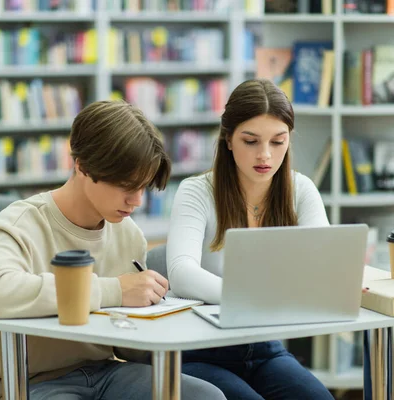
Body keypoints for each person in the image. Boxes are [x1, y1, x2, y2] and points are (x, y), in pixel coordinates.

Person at [0, 100, 227, 400]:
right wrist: (115, 291)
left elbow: (125, 347)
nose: (137, 201)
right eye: (126, 186)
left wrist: (152, 315)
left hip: (106, 371)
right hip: (33, 382)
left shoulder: (129, 235)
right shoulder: (22, 222)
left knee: (206, 397)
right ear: (82, 166)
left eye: (143, 187)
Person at [165, 78, 335, 400]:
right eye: (251, 141)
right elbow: (181, 273)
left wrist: (340, 279)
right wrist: (258, 299)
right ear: (228, 139)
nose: (265, 156)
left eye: (278, 142)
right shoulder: (196, 191)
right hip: (200, 349)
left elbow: (325, 261)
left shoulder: (301, 190)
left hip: (264, 348)